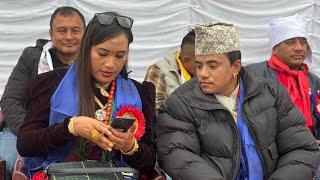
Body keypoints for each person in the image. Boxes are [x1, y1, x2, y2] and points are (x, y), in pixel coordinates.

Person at [155, 22, 320, 179]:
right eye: (199, 66)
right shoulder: (180, 103)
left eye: (212, 66)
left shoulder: (271, 93)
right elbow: (176, 155)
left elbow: (302, 147)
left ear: (235, 67)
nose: (203, 74)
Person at [16, 11, 156, 179]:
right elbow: (25, 144)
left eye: (120, 56)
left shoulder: (138, 93)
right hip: (62, 174)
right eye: (102, 53)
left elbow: (150, 161)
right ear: (86, 49)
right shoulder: (52, 84)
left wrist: (129, 146)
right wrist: (71, 127)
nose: (111, 64)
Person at [0, 6, 85, 179]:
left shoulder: (93, 61)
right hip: (23, 129)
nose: (69, 36)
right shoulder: (32, 57)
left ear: (85, 33)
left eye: (75, 31)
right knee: (7, 164)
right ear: (51, 33)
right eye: (62, 30)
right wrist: (33, 133)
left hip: (73, 132)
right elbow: (10, 100)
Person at [246, 14, 320, 179]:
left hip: (310, 151)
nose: (299, 48)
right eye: (290, 42)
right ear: (275, 46)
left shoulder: (313, 81)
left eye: (303, 41)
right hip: (270, 152)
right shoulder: (254, 75)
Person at [144, 30, 196, 109]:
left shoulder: (206, 75)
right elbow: (155, 111)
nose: (205, 68)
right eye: (199, 63)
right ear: (186, 60)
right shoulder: (158, 70)